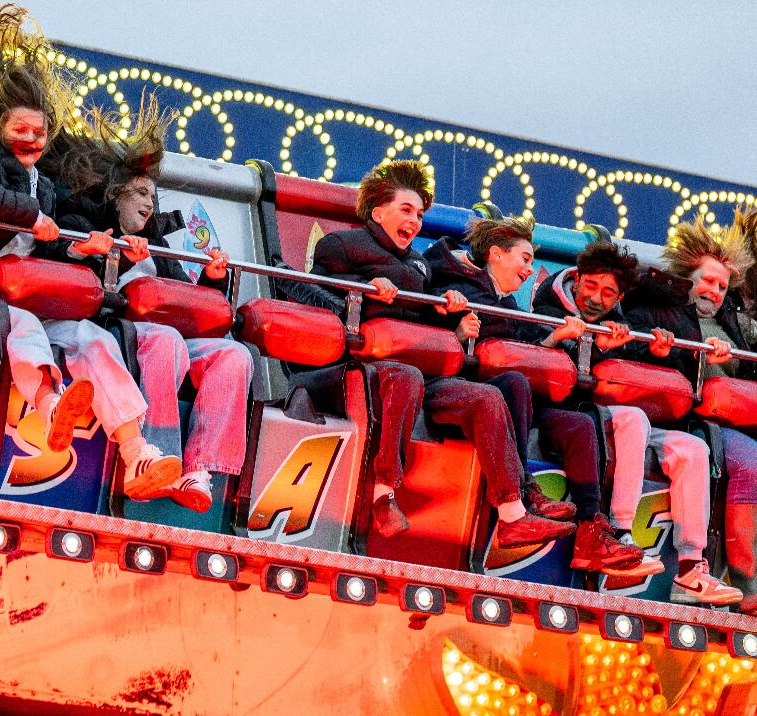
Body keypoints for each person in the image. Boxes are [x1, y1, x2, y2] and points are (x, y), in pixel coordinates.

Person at [0, 4, 181, 499]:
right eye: (22, 131)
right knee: (25, 327)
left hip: (31, 294)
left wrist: (81, 253)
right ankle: (50, 405)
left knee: (91, 338)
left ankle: (137, 452)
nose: (33, 140)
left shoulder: (45, 184)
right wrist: (33, 216)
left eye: (40, 133)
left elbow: (52, 247)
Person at [298, 159, 575, 548]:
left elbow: (426, 317)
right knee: (404, 376)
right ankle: (384, 497)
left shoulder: (418, 263)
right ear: (378, 212)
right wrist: (361, 286)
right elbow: (317, 291)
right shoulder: (341, 244)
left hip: (423, 373)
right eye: (406, 210)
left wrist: (450, 315)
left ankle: (513, 514)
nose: (414, 220)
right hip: (359, 366)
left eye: (420, 214)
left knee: (488, 395)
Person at [44, 98, 253, 512]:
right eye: (140, 192)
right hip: (115, 330)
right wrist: (116, 256)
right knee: (167, 340)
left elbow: (181, 293)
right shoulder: (87, 220)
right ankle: (152, 461)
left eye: (153, 197)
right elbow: (70, 278)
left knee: (234, 355)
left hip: (165, 327)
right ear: (116, 194)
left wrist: (215, 277)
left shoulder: (158, 241)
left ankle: (199, 467)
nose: (150, 204)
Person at [424, 216, 652, 575]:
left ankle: (591, 532)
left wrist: (558, 341)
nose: (531, 270)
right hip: (457, 392)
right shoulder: (453, 283)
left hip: (519, 400)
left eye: (532, 262)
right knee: (515, 382)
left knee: (578, 424)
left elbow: (528, 346)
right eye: (526, 260)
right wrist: (455, 330)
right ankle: (522, 495)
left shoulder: (511, 306)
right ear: (496, 255)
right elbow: (428, 323)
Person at [532, 240, 742, 606]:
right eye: (591, 287)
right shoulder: (548, 305)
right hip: (578, 411)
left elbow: (637, 358)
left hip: (617, 410)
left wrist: (659, 351)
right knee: (634, 418)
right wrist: (591, 344)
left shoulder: (622, 320)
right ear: (577, 280)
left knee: (694, 448)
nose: (596, 298)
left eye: (608, 293)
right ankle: (620, 534)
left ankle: (691, 568)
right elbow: (547, 356)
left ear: (618, 297)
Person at [625, 211, 756, 611]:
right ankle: (746, 580)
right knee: (750, 463)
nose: (714, 291)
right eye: (708, 282)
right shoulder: (662, 311)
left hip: (735, 417)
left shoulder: (730, 319)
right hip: (698, 423)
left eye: (721, 286)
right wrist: (692, 358)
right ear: (687, 279)